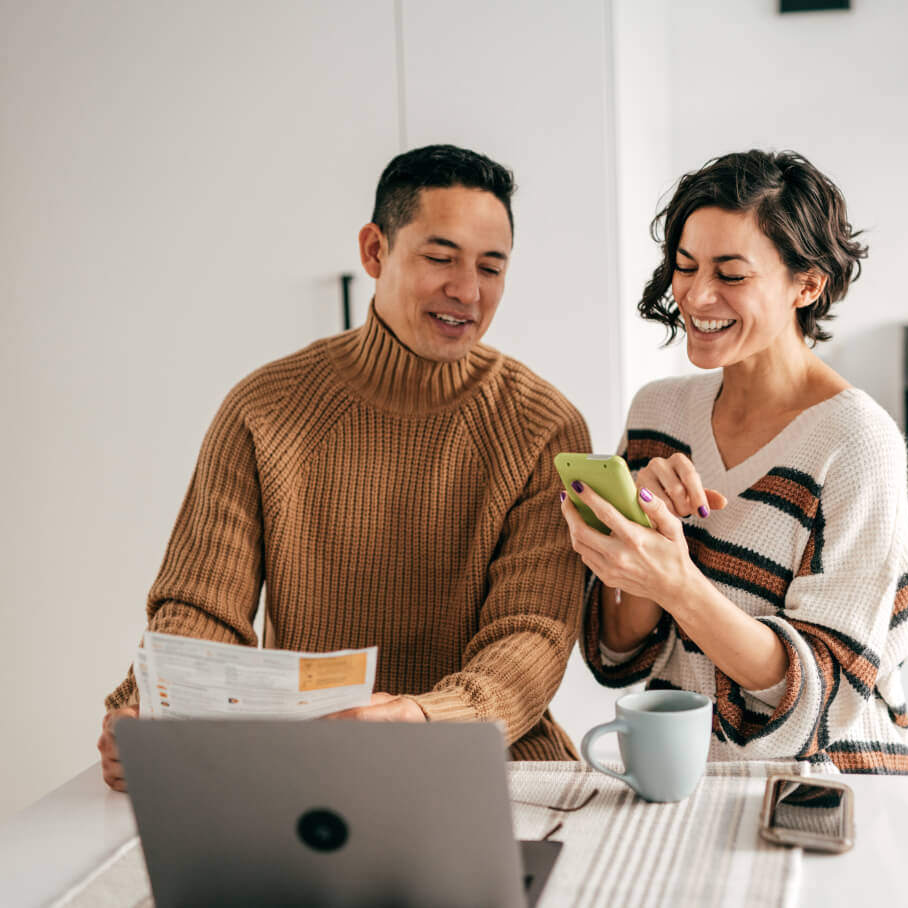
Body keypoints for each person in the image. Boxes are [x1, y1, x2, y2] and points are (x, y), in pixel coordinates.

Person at [98, 145, 590, 791]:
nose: (467, 291)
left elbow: (532, 636)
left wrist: (422, 718)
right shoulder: (263, 409)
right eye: (440, 258)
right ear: (374, 251)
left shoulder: (544, 427)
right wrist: (152, 706)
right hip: (310, 771)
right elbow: (201, 608)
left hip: (494, 772)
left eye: (490, 268)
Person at [561, 150, 908, 774]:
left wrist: (679, 583)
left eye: (731, 274)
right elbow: (616, 654)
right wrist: (642, 537)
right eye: (684, 266)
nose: (696, 295)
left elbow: (817, 701)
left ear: (807, 284)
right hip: (684, 779)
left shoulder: (857, 442)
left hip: (824, 792)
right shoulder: (659, 412)